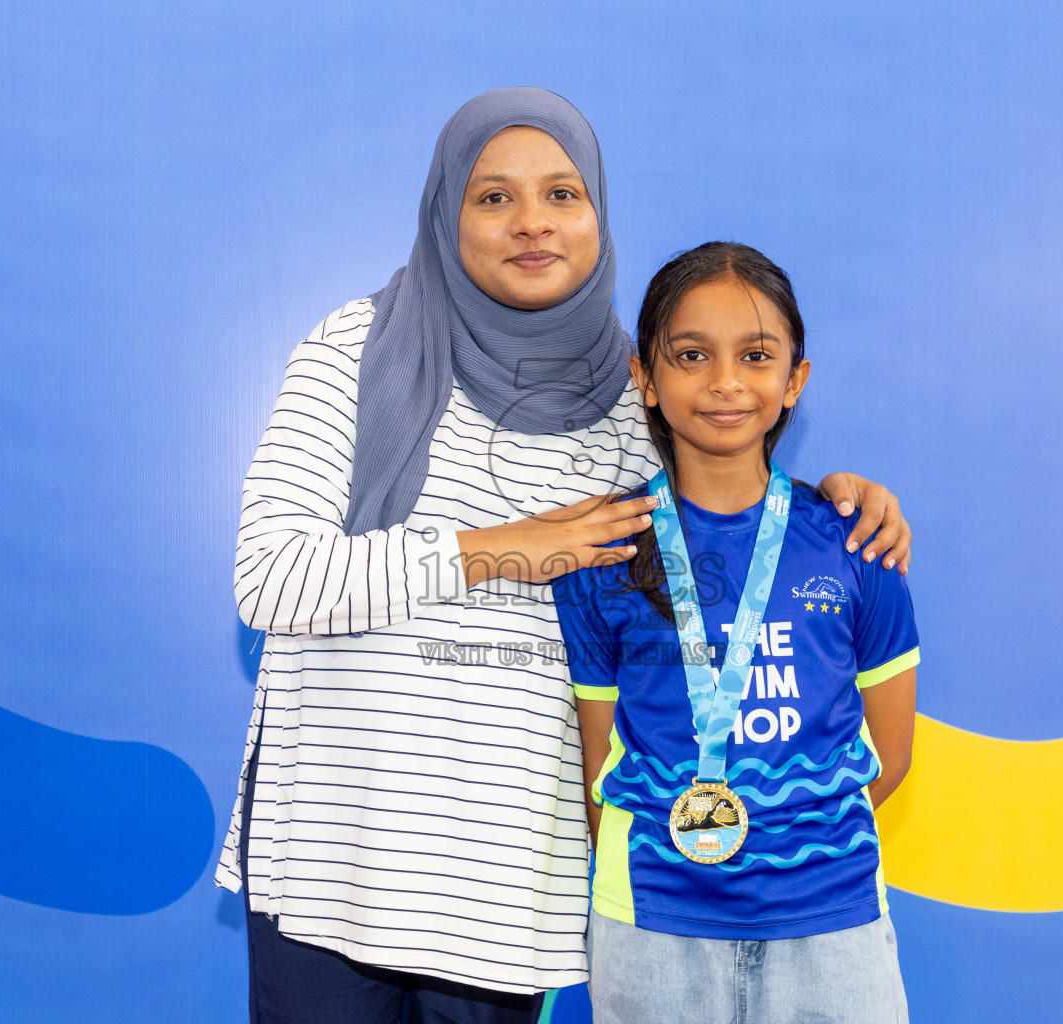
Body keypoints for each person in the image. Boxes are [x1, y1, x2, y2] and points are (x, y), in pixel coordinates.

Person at [214, 89, 913, 1024]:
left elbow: (728, 503)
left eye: (563, 195)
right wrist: (503, 549)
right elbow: (271, 577)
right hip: (343, 853)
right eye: (494, 197)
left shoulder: (636, 394)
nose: (533, 223)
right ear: (445, 210)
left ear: (598, 216)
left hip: (505, 884)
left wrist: (843, 500)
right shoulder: (357, 349)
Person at [553, 242, 918, 1023]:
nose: (724, 382)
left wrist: (788, 849)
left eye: (755, 355)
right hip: (652, 923)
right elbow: (599, 774)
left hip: (831, 918)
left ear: (795, 380)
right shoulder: (603, 554)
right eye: (691, 355)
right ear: (645, 379)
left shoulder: (858, 543)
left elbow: (887, 762)